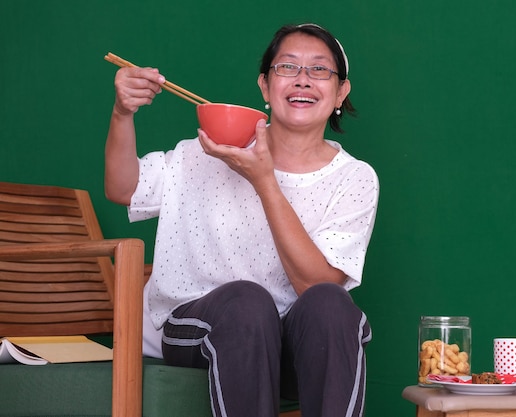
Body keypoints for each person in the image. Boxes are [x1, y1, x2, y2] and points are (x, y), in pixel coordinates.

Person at [104, 23, 379, 417]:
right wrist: (122, 112)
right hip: (193, 328)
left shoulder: (354, 178)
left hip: (286, 344)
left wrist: (264, 180)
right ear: (266, 87)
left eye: (319, 70)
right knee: (248, 302)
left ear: (340, 92)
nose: (303, 80)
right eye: (288, 68)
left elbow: (316, 283)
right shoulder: (209, 152)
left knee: (332, 303)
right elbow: (122, 188)